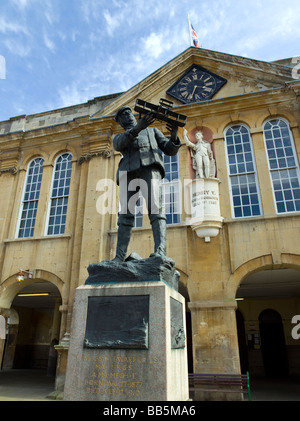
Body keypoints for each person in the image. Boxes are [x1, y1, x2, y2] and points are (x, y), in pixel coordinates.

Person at [112, 106, 181, 262]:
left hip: (150, 169)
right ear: (121, 122)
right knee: (125, 215)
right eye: (123, 115)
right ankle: (119, 257)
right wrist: (137, 128)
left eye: (129, 113)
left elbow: (169, 149)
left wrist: (174, 135)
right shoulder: (120, 136)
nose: (128, 115)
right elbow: (118, 145)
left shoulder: (152, 131)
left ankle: (160, 251)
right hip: (127, 173)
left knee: (156, 209)